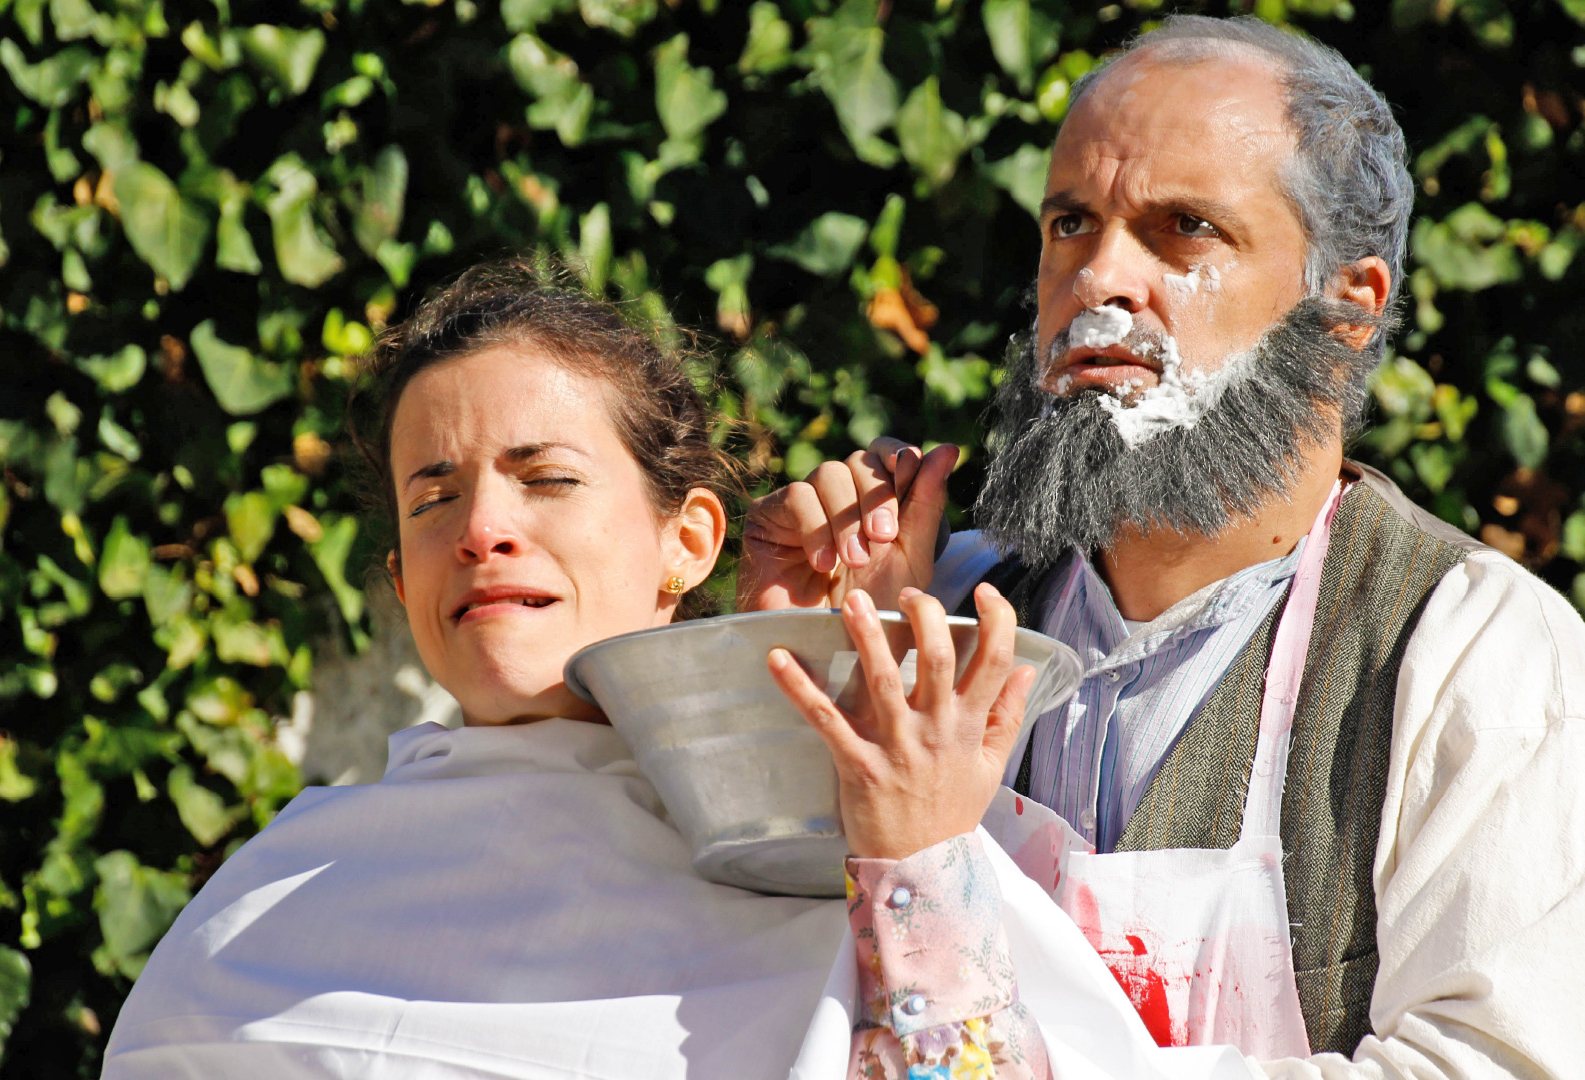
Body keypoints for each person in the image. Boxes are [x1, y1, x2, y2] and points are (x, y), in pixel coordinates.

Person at [743, 15, 1585, 1080]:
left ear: (1346, 310)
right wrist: (828, 662)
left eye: (1183, 230)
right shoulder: (954, 606)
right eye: (1071, 224)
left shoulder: (1471, 659)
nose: (1098, 280)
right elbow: (747, 994)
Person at [101, 262, 1081, 1078]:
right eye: (432, 499)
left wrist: (850, 751)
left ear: (688, 540)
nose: (482, 532)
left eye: (548, 480)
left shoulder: (864, 867)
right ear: (401, 581)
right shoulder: (263, 907)